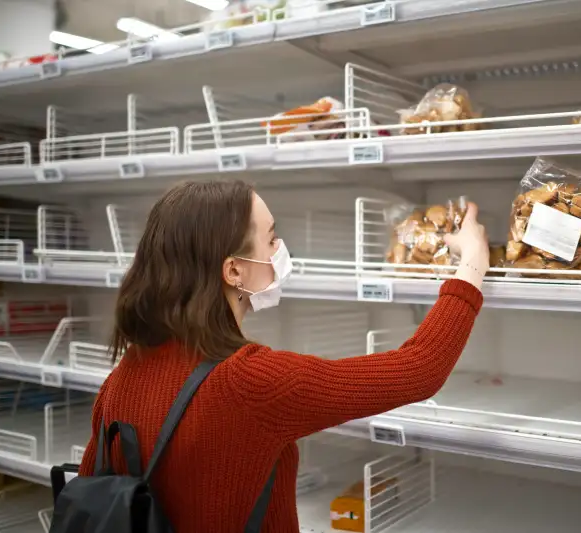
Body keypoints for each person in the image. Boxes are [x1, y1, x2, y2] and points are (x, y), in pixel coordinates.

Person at [78, 180, 489, 532]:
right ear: (233, 271)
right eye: (271, 238)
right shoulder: (250, 383)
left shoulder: (121, 379)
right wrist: (472, 262)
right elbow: (418, 370)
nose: (280, 249)